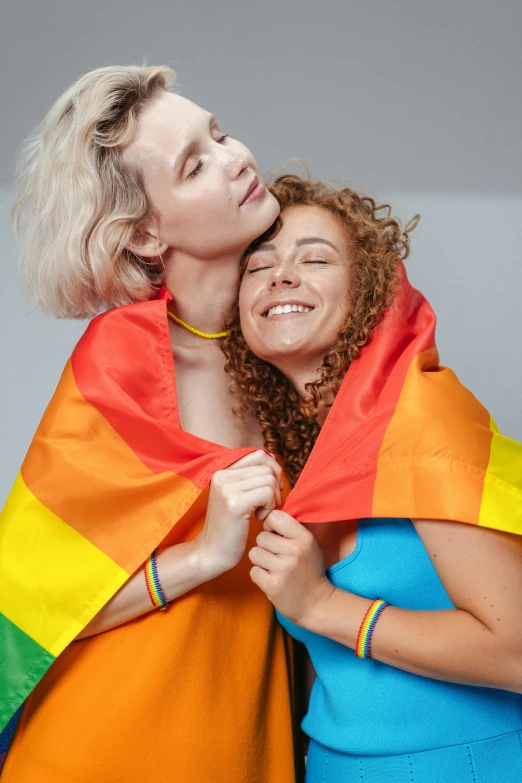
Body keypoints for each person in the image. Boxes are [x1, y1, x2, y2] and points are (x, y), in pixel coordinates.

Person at [0, 66, 299, 783]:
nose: (237, 159)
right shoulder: (119, 364)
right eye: (196, 164)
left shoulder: (297, 349)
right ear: (145, 233)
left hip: (243, 740)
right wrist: (201, 555)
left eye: (219, 133)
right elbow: (22, 604)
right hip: (106, 745)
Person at [223, 174, 522, 782]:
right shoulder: (289, 452)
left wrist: (323, 604)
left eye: (315, 258)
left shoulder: (426, 413)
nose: (280, 275)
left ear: (366, 293)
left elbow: (517, 649)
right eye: (258, 267)